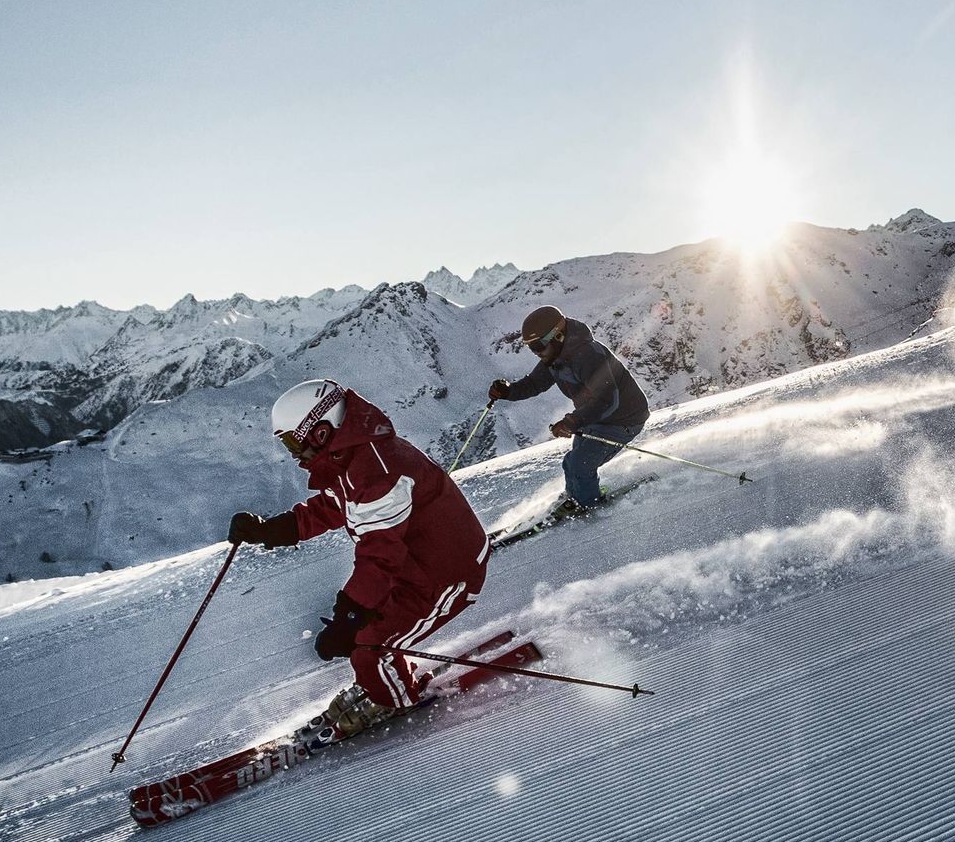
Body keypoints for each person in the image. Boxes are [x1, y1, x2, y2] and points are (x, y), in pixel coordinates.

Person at [227, 378, 489, 737]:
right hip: (416, 566)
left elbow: (379, 556)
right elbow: (331, 507)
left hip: (448, 574)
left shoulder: (378, 473)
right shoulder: (352, 458)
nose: (294, 455)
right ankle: (380, 680)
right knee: (364, 634)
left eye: (293, 442)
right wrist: (268, 530)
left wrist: (349, 617)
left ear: (320, 431)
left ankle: (393, 700)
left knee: (369, 645)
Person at [488, 306, 651, 515]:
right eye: (530, 348)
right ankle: (575, 497)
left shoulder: (588, 356)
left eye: (538, 345)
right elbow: (535, 383)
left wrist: (572, 421)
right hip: (594, 417)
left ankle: (588, 507)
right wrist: (508, 391)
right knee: (571, 462)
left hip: (623, 419)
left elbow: (607, 400)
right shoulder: (555, 357)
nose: (536, 352)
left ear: (557, 335)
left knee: (580, 464)